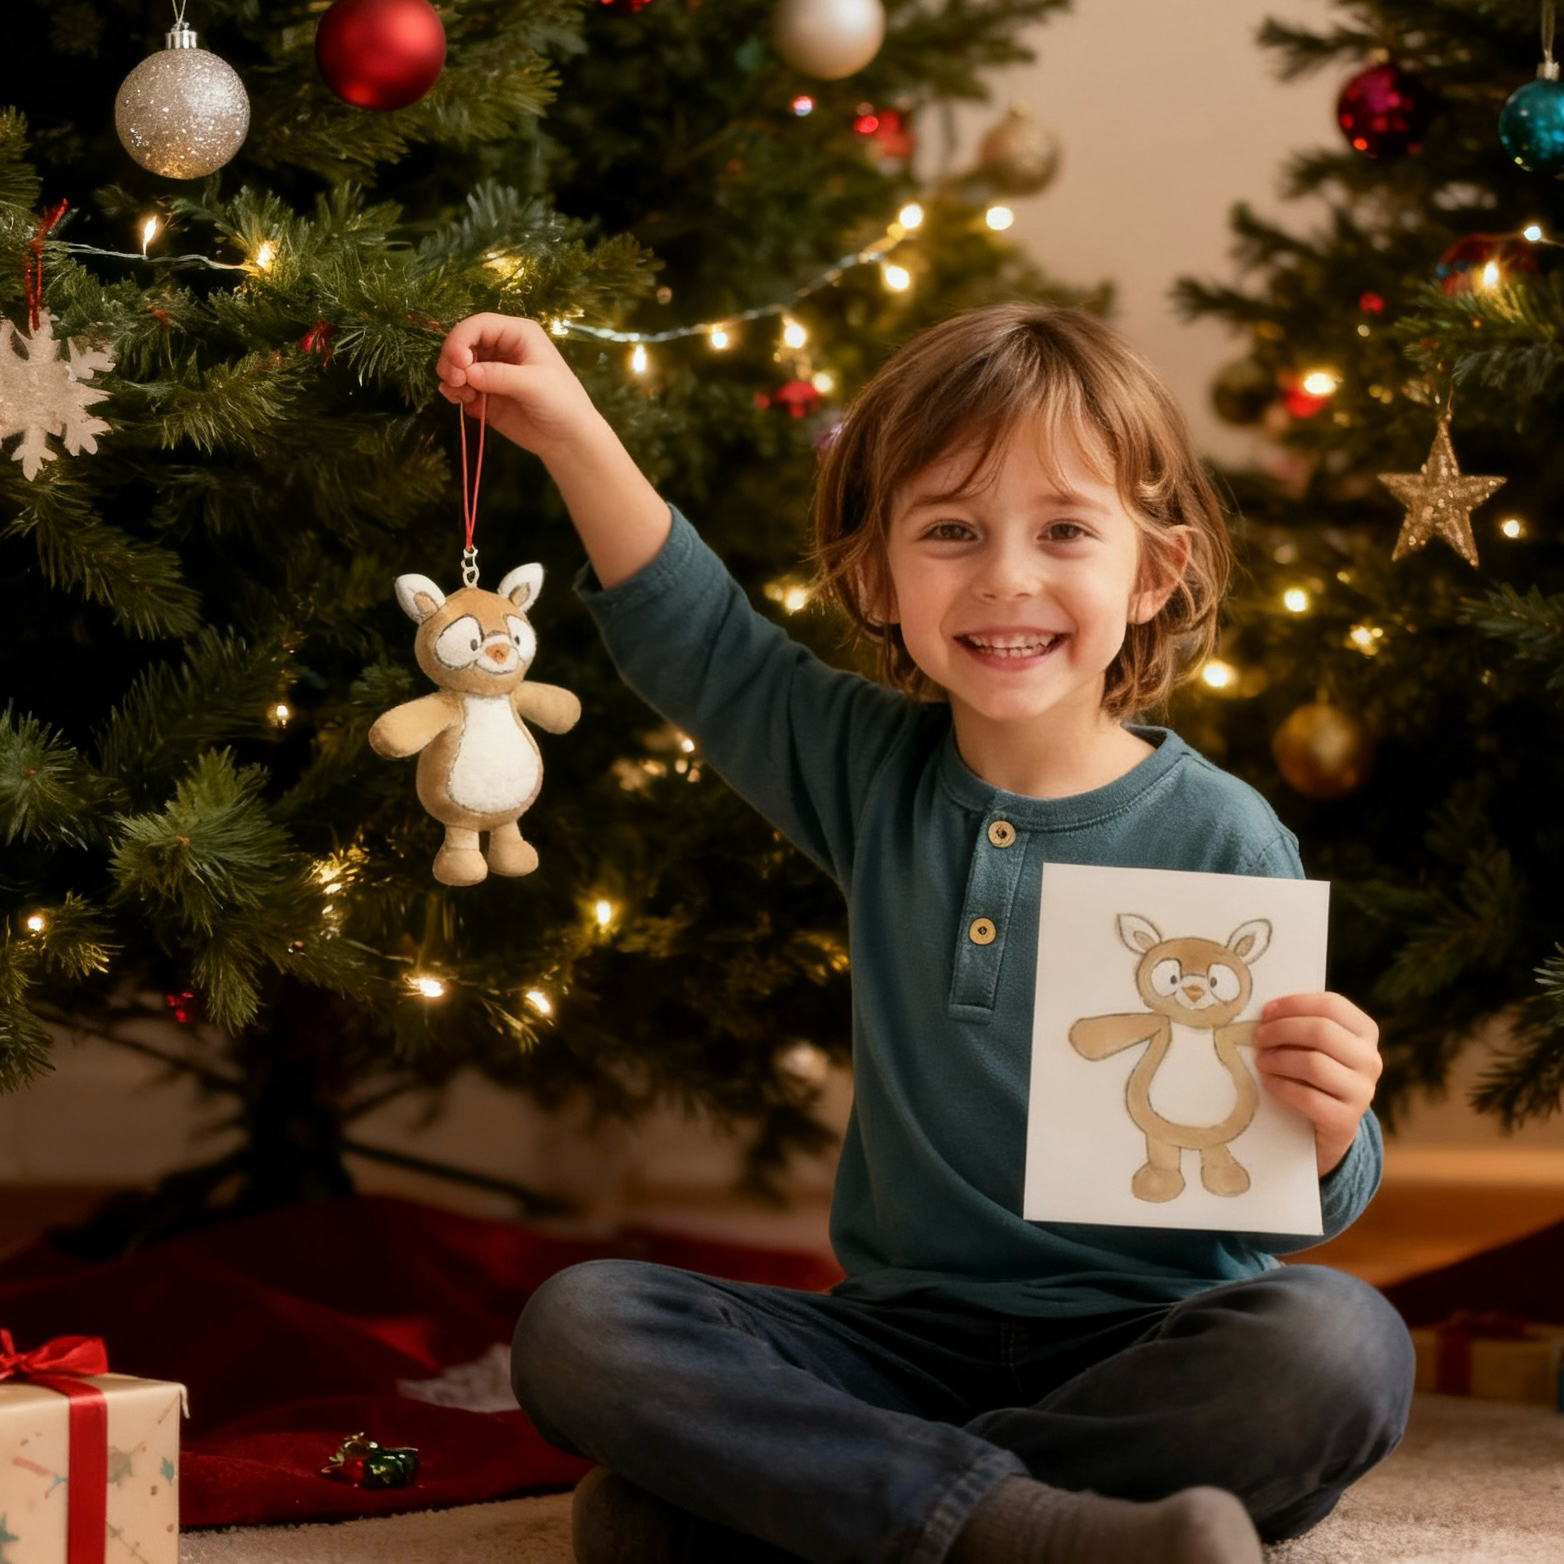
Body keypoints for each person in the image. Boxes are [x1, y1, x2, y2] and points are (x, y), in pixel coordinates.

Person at [434, 303, 1415, 1564]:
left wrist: (1336, 1127)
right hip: (892, 1345)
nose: (1006, 575)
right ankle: (1019, 1532)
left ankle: (831, 1508)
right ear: (875, 579)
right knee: (581, 1322)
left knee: (1336, 1346)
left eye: (1065, 531)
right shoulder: (866, 769)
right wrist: (568, 428)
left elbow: (1290, 1190)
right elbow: (700, 639)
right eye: (950, 532)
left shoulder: (1224, 832)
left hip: (1150, 1343)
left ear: (1153, 572)